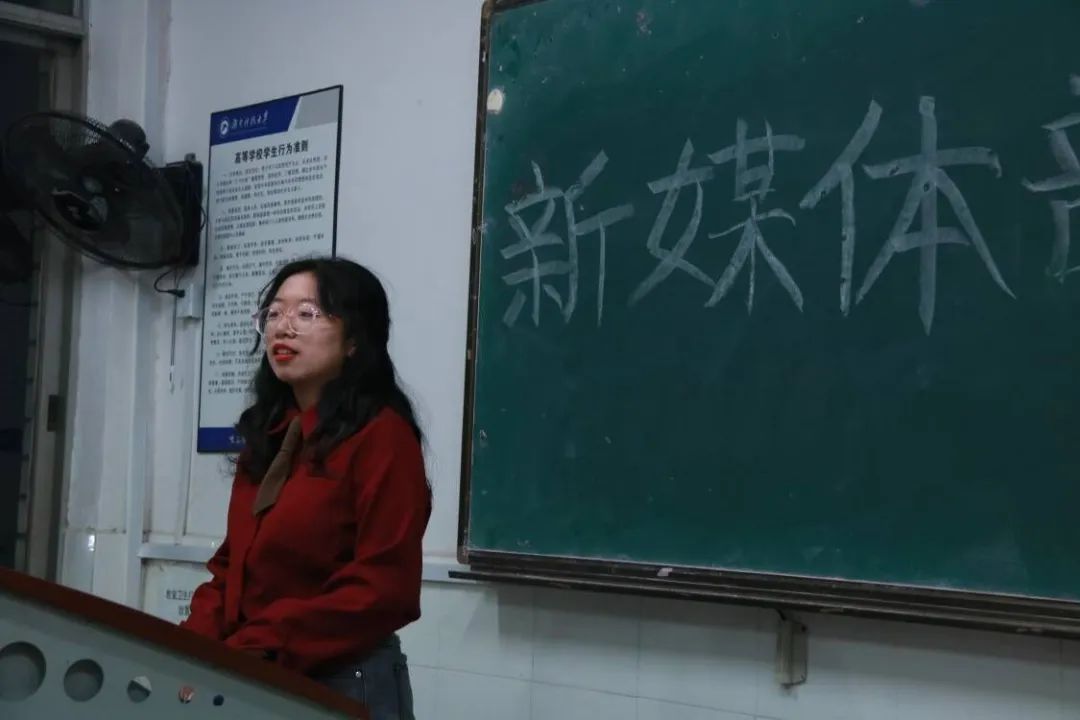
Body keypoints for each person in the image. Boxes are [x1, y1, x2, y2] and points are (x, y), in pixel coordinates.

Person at [181, 256, 430, 719]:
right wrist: (190, 647)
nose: (284, 327)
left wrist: (256, 645)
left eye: (307, 313)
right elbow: (232, 567)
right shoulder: (270, 435)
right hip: (251, 670)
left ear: (354, 339)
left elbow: (384, 587)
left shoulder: (382, 435)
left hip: (339, 679)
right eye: (274, 313)